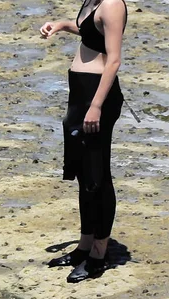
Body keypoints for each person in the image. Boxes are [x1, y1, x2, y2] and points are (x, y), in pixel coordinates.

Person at [39, 0, 128, 283]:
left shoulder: (113, 4)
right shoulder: (93, 1)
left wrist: (97, 105)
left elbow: (113, 59)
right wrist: (64, 25)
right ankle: (84, 246)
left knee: (97, 175)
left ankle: (99, 255)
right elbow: (91, 32)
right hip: (80, 95)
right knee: (82, 174)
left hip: (96, 97)